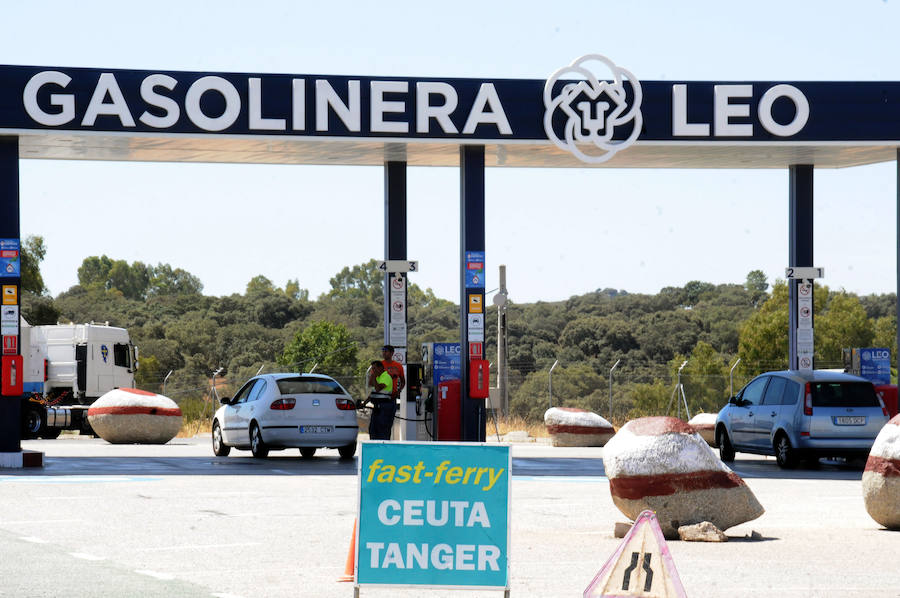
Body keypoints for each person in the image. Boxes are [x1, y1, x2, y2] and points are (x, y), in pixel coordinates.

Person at [364, 360, 395, 440]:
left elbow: (378, 389)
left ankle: (383, 449)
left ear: (381, 368)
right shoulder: (377, 377)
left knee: (382, 431)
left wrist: (374, 377)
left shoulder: (386, 377)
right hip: (378, 408)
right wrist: (364, 403)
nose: (373, 371)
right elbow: (372, 390)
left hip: (385, 407)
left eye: (375, 368)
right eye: (372, 369)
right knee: (373, 430)